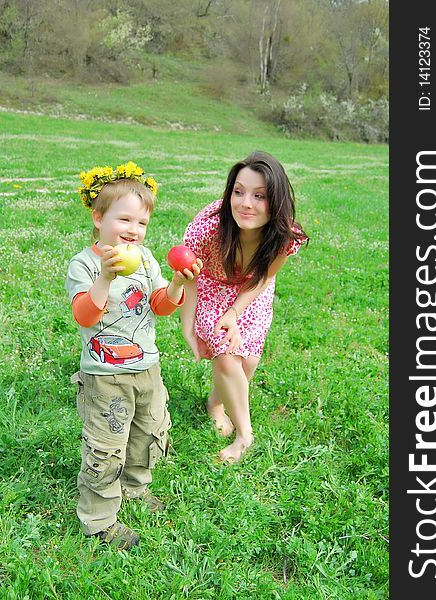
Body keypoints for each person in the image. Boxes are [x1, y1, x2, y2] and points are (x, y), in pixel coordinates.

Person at [65, 161, 202, 550]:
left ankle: (135, 489)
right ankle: (99, 519)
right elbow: (84, 314)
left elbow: (160, 305)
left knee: (148, 432)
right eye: (124, 219)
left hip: (147, 367)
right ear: (98, 217)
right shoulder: (86, 264)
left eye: (141, 223)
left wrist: (176, 282)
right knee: (105, 445)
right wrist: (106, 278)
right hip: (105, 374)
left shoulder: (145, 259)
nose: (133, 230)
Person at [180, 151, 308, 463]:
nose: (245, 203)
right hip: (211, 285)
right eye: (238, 192)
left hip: (253, 289)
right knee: (226, 358)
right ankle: (244, 435)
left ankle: (216, 403)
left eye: (259, 196)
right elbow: (188, 278)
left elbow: (264, 276)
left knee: (247, 362)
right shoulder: (206, 230)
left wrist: (235, 313)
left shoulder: (284, 236)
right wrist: (188, 327)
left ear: (275, 202)